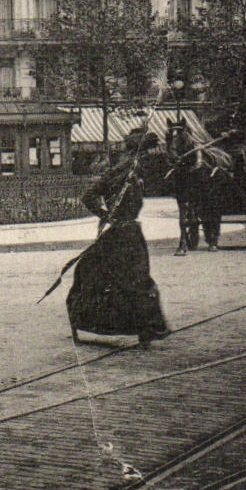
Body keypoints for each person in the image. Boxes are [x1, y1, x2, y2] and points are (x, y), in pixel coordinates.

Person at [67, 132, 170, 347]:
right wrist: (107, 215)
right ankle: (145, 328)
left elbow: (88, 197)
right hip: (127, 234)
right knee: (134, 281)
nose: (145, 158)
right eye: (143, 153)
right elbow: (88, 197)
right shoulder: (124, 172)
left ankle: (140, 327)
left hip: (122, 232)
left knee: (107, 277)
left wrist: (106, 215)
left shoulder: (128, 171)